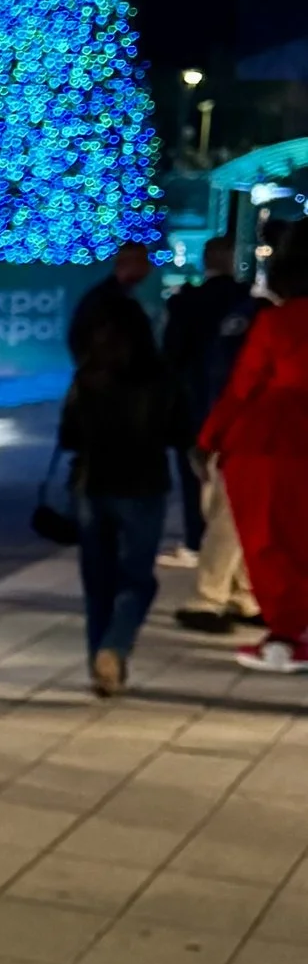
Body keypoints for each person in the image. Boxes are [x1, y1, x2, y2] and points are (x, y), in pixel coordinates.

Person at [56, 285, 186, 693]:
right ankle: (114, 648)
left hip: (93, 486)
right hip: (144, 485)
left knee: (98, 583)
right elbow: (180, 431)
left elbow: (69, 437)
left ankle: (101, 663)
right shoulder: (162, 377)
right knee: (138, 579)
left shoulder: (88, 378)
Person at [200, 223, 308, 676]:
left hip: (276, 439)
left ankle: (287, 634)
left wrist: (209, 438)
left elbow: (242, 388)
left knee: (271, 536)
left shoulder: (278, 322)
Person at [163, 236, 260, 575]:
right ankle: (231, 553)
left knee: (194, 479)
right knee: (231, 485)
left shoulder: (186, 302)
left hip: (193, 404)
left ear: (206, 260)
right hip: (237, 407)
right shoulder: (248, 303)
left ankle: (195, 540)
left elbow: (171, 357)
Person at [68, 240, 154, 360]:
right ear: (127, 263)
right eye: (143, 261)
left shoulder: (108, 297)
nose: (148, 268)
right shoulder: (110, 302)